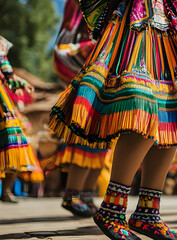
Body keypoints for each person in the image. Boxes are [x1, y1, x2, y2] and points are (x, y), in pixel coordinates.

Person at [48, 1, 177, 239]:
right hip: (141, 22)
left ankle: (148, 212)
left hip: (173, 25)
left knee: (173, 112)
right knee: (143, 104)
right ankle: (112, 209)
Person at [53, 0, 112, 218]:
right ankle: (72, 194)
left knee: (102, 141)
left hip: (106, 73)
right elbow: (66, 44)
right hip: (92, 71)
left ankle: (86, 194)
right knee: (86, 138)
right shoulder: (81, 5)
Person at [0, 36, 36, 203]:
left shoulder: (1, 44)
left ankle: (6, 191)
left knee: (13, 144)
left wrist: (19, 83)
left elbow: (8, 75)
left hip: (3, 106)